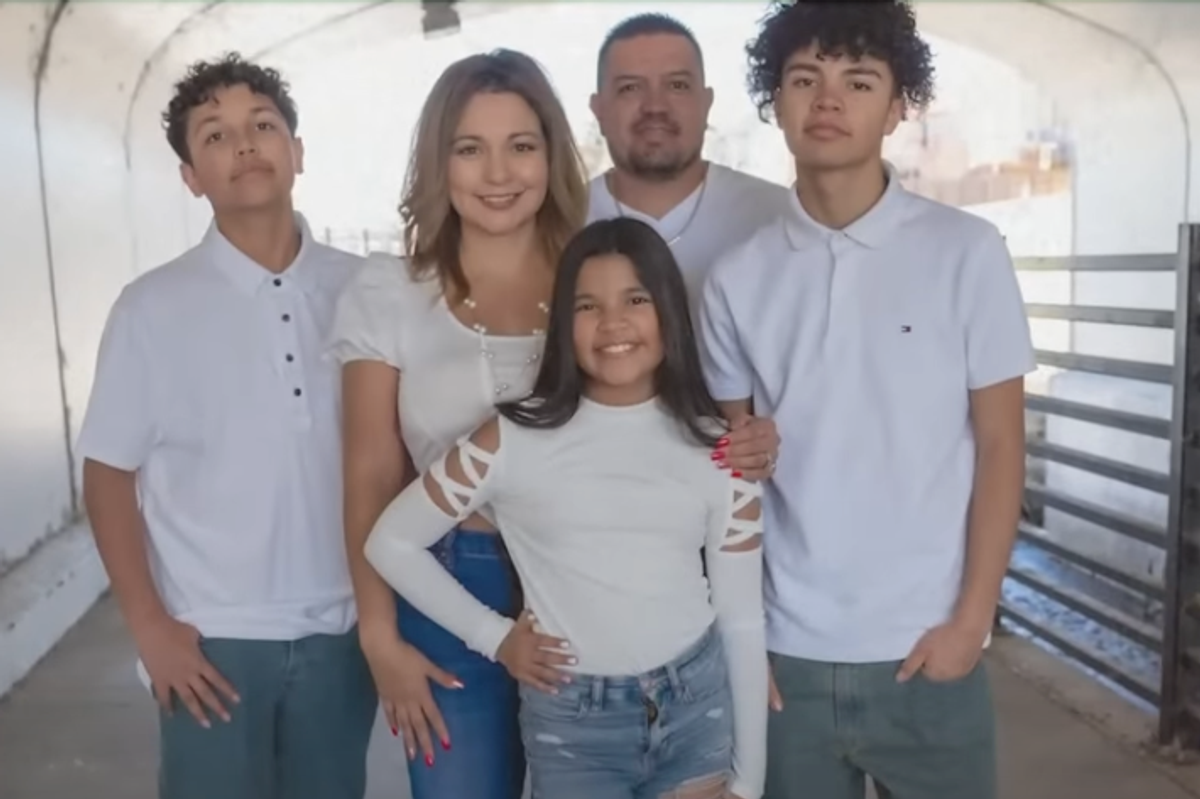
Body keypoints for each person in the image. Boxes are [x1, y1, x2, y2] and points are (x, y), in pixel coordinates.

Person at [330, 47, 781, 799]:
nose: (499, 173)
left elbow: (674, 416)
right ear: (438, 163)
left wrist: (747, 437)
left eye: (522, 145)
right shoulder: (388, 290)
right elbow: (370, 474)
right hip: (454, 577)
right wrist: (379, 634)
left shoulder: (599, 277)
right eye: (469, 149)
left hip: (605, 574)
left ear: (554, 154)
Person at [697, 2, 1035, 798]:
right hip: (788, 655)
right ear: (775, 100)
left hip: (929, 648)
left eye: (858, 80)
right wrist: (741, 639)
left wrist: (971, 622)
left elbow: (1001, 446)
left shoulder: (967, 253)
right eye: (804, 78)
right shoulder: (735, 277)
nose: (827, 100)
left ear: (897, 106)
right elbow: (728, 466)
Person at [363, 216, 769, 799]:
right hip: (574, 728)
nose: (613, 323)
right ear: (562, 323)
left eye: (636, 298)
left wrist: (749, 784)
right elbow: (391, 542)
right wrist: (495, 638)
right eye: (586, 306)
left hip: (694, 709)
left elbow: (741, 617)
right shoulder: (510, 439)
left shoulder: (719, 448)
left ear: (669, 313)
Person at [76, 53, 376, 799]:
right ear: (190, 176)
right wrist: (151, 627)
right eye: (214, 135)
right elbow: (108, 474)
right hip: (211, 639)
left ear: (297, 151)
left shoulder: (369, 288)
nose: (244, 145)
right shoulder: (151, 307)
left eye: (262, 126)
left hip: (346, 629)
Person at [586, 13, 790, 305]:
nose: (655, 106)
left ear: (706, 104)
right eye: (630, 88)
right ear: (598, 110)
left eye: (677, 85)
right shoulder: (560, 224)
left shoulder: (777, 217)